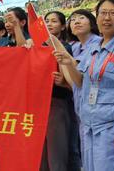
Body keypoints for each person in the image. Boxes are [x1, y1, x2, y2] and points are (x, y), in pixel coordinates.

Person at [55, 0, 114, 171]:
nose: (107, 18)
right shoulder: (95, 47)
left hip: (112, 127)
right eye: (103, 13)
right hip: (90, 126)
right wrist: (69, 63)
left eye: (113, 13)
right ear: (97, 17)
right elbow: (80, 82)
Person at [41, 11, 81, 171]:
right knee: (41, 154)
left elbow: (70, 78)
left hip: (57, 104)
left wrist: (63, 81)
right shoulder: (37, 47)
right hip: (39, 106)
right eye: (47, 21)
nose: (49, 24)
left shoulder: (64, 47)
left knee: (57, 153)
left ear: (63, 26)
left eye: (54, 21)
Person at [66, 9, 101, 171]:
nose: (77, 21)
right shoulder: (74, 46)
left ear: (92, 23)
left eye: (82, 18)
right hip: (81, 109)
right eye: (72, 20)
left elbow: (80, 78)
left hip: (98, 112)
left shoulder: (98, 43)